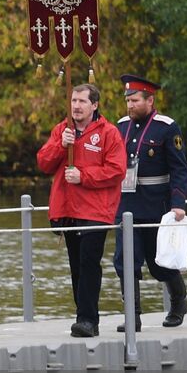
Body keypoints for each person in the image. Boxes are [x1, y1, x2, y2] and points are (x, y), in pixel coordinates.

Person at [37, 83, 126, 338]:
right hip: (68, 208)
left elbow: (116, 170)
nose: (76, 106)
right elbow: (43, 163)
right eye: (73, 101)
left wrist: (83, 175)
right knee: (75, 264)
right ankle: (85, 316)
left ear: (94, 105)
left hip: (97, 210)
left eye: (82, 101)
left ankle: (87, 319)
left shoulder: (108, 133)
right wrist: (60, 146)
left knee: (89, 262)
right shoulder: (61, 130)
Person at [112, 75, 187, 332]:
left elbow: (179, 169)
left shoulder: (166, 127)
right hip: (126, 205)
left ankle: (178, 301)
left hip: (157, 205)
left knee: (159, 264)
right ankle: (132, 316)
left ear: (149, 100)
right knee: (125, 261)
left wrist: (178, 203)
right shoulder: (121, 126)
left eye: (135, 100)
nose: (130, 106)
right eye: (128, 101)